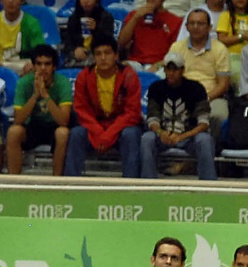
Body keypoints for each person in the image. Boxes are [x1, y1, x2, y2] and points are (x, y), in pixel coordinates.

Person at [66, 37, 143, 178]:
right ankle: (71, 184)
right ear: (93, 57)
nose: (103, 58)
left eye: (107, 53)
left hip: (120, 128)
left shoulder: (129, 75)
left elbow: (132, 113)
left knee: (131, 134)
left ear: (116, 55)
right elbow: (81, 110)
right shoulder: (84, 76)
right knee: (76, 134)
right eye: (98, 53)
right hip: (95, 127)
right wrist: (98, 132)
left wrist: (109, 134)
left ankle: (131, 185)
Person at [141, 52, 218, 181]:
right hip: (163, 136)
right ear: (164, 70)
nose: (171, 73)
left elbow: (203, 123)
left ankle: (208, 183)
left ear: (182, 70)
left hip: (189, 138)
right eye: (168, 69)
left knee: (204, 140)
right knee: (146, 138)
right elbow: (152, 118)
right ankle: (148, 183)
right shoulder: (156, 88)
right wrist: (161, 132)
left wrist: (182, 136)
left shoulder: (196, 89)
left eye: (175, 69)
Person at [5, 44, 72, 175]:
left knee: (63, 133)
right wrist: (35, 96)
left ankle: (56, 182)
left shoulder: (63, 83)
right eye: (39, 64)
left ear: (54, 67)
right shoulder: (24, 83)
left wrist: (46, 95)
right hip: (33, 125)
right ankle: (13, 181)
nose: (43, 68)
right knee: (14, 132)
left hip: (54, 126)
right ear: (34, 65)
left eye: (47, 64)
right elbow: (18, 119)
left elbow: (64, 120)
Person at [167, 9, 231, 130]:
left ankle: (214, 148)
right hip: (182, 96)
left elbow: (223, 85)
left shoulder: (220, 49)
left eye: (200, 24)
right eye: (192, 23)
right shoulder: (177, 47)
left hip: (211, 98)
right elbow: (171, 78)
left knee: (219, 115)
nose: (196, 27)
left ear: (209, 27)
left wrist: (203, 98)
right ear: (186, 27)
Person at [0, 0, 43, 74]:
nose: (10, 1)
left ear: (21, 1)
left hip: (22, 66)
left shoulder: (32, 23)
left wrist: (32, 63)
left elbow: (40, 53)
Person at [120, 0, 183, 68]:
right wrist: (135, 18)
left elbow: (175, 53)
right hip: (135, 62)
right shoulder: (134, 15)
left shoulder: (175, 21)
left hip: (161, 65)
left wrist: (158, 65)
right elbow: (121, 43)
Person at [62, 0, 115, 69]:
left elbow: (109, 42)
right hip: (78, 56)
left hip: (97, 56)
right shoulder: (73, 18)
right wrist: (74, 50)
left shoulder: (106, 17)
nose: (86, 1)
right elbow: (67, 42)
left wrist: (96, 29)